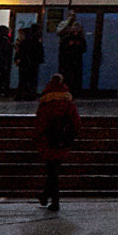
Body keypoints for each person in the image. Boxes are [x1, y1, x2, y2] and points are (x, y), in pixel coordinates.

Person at [33, 73, 80, 212]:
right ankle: (46, 195)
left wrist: (38, 137)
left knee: (51, 170)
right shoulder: (67, 102)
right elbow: (76, 122)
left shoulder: (46, 102)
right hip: (63, 140)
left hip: (47, 140)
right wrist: (71, 135)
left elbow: (39, 122)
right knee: (54, 170)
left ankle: (54, 200)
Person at [57, 18, 89, 97]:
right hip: (67, 62)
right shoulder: (67, 38)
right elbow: (62, 48)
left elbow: (83, 49)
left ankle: (75, 93)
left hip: (76, 61)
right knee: (68, 78)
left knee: (75, 78)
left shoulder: (80, 39)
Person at [14, 25, 44, 100]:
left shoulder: (24, 43)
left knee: (23, 80)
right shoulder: (37, 42)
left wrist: (17, 59)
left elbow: (20, 53)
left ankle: (21, 94)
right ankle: (31, 94)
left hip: (24, 63)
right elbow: (40, 54)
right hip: (33, 64)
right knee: (32, 80)